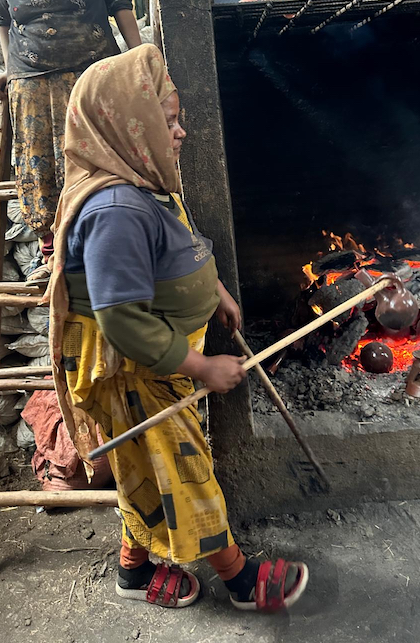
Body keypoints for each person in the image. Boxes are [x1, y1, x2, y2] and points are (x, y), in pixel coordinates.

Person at [47, 44, 309, 610]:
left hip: (159, 362)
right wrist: (201, 366)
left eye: (179, 118)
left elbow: (176, 250)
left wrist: (213, 291)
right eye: (168, 121)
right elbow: (121, 321)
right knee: (185, 470)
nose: (182, 132)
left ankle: (133, 571)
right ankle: (242, 581)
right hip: (135, 370)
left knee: (146, 467)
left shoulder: (142, 182)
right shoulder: (114, 210)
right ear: (127, 124)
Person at [0, 0, 141, 285]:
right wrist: (9, 69)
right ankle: (53, 253)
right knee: (40, 171)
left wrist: (142, 56)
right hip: (32, 85)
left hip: (89, 75)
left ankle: (106, 244)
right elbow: (3, 18)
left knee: (99, 164)